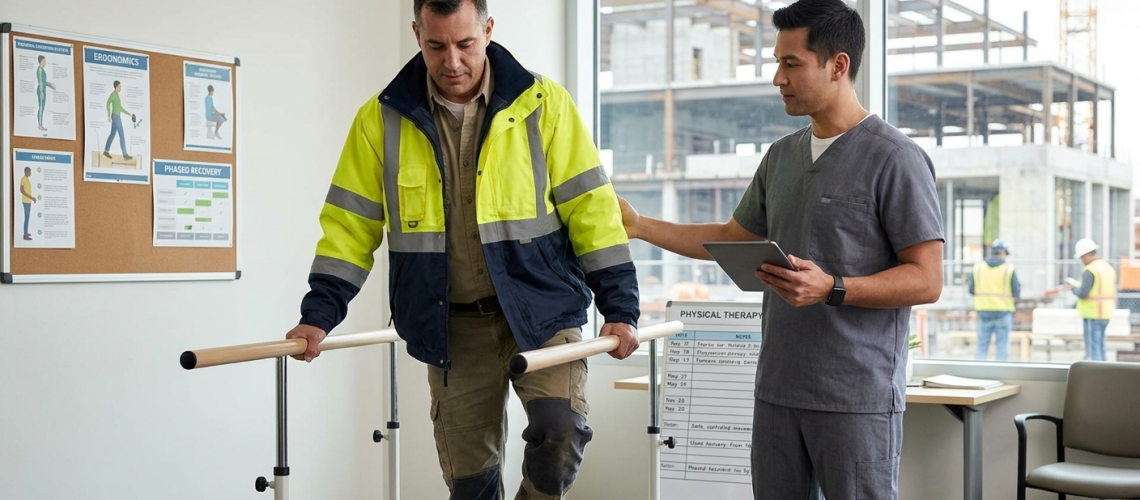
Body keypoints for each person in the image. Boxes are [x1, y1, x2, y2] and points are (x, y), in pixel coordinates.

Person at [284, 1, 641, 499]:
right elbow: (350, 227)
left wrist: (621, 307)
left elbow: (593, 212)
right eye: (436, 46)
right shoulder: (381, 120)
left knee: (560, 437)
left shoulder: (543, 104)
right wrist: (319, 314)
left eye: (465, 44)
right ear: (417, 35)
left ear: (489, 30)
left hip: (543, 312)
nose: (452, 61)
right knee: (470, 484)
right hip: (452, 325)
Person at [618, 0, 943, 498]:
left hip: (855, 399)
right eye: (777, 62)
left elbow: (927, 278)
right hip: (777, 392)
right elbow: (732, 239)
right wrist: (640, 226)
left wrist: (833, 287)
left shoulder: (896, 159)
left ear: (839, 66)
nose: (777, 78)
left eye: (791, 64)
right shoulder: (781, 156)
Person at [967, 239, 1020, 361]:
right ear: (1003, 253)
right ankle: (1001, 376)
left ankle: (979, 374)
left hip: (983, 312)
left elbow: (971, 290)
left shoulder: (978, 268)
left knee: (981, 347)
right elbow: (1016, 292)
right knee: (1002, 349)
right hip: (1003, 313)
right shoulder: (1009, 269)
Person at [1070, 238, 1116, 361]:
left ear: (1086, 254)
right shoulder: (1107, 268)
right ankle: (1104, 375)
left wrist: (1073, 289)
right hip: (1106, 313)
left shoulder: (1090, 270)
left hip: (1092, 314)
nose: (1081, 260)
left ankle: (1097, 377)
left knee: (1093, 349)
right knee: (1100, 346)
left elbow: (1082, 293)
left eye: (1081, 257)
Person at [104, 80, 133, 161]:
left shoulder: (117, 95)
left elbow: (119, 107)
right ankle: (125, 155)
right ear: (116, 87)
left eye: (121, 86)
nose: (121, 88)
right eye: (120, 86)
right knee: (121, 134)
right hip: (115, 117)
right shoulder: (113, 94)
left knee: (112, 134)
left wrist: (128, 113)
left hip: (116, 116)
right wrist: (109, 115)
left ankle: (106, 151)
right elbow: (107, 102)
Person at [36, 55, 56, 131]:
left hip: (43, 89)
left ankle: (40, 125)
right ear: (40, 62)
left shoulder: (42, 70)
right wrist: (41, 91)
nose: (45, 62)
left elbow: (44, 82)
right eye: (43, 61)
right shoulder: (40, 70)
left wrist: (50, 85)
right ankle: (40, 125)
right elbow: (40, 81)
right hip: (41, 90)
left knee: (42, 107)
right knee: (41, 107)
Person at [20, 167, 35, 241]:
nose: (30, 173)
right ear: (26, 171)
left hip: (28, 201)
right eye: (30, 172)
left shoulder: (27, 179)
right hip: (26, 201)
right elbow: (22, 191)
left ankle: (26, 232)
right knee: (26, 218)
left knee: (27, 218)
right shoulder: (23, 179)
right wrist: (32, 197)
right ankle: (25, 235)